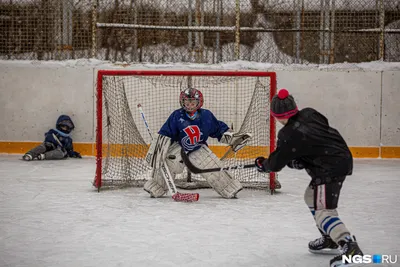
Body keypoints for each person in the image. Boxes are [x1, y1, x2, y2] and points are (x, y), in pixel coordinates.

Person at [254, 89, 363, 267]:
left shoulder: (288, 135)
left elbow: (276, 163)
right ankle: (329, 238)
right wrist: (302, 159)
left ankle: (348, 245)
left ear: (276, 116)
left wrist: (263, 165)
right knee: (310, 196)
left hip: (327, 169)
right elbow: (315, 140)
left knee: (324, 211)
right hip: (340, 157)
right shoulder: (310, 113)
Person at [143, 87, 252, 199]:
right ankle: (157, 186)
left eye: (193, 102)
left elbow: (218, 129)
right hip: (179, 147)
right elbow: (166, 133)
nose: (190, 105)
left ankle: (228, 187)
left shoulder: (206, 116)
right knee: (168, 162)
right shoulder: (177, 115)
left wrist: (232, 138)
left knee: (211, 166)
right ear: (182, 102)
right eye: (187, 102)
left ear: (199, 102)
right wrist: (158, 148)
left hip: (198, 148)